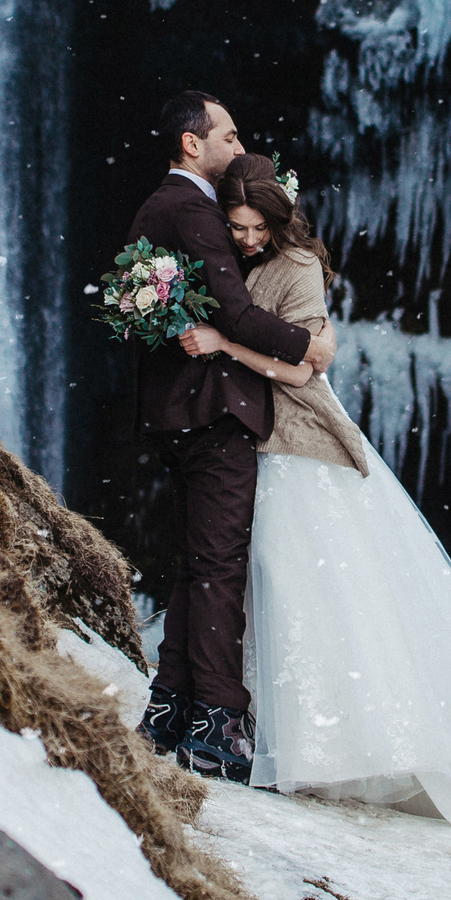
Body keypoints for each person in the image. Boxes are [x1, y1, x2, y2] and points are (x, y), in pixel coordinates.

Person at [176, 153, 451, 832]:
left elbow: (300, 370)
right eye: (238, 226)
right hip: (253, 435)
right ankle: (254, 722)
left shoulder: (299, 266)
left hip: (297, 435)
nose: (249, 237)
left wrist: (225, 344)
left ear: (279, 220)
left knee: (299, 575)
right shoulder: (234, 261)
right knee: (260, 574)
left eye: (259, 226)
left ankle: (324, 745)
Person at [126, 90, 316, 783]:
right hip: (211, 411)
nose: (239, 148)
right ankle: (218, 723)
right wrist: (310, 345)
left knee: (195, 561)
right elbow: (233, 311)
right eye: (229, 137)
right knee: (219, 566)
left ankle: (170, 707)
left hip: (173, 413)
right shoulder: (193, 208)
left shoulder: (155, 206)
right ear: (192, 142)